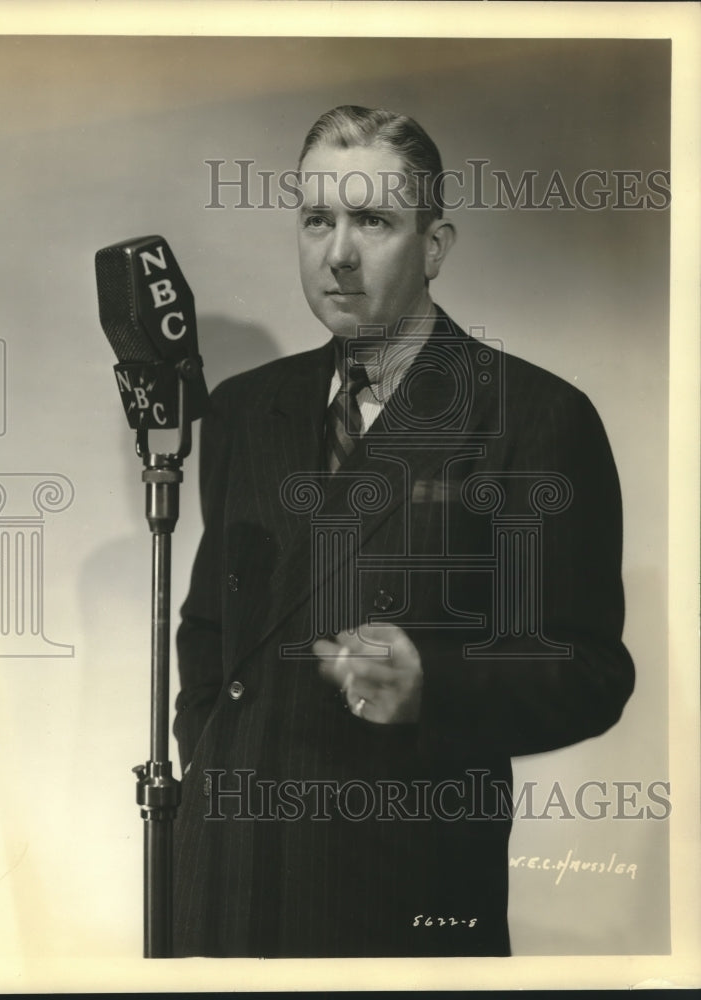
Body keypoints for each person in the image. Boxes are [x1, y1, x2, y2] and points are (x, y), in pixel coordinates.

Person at [170, 105, 634, 957]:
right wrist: (210, 761)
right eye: (318, 220)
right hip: (224, 884)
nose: (338, 254)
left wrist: (433, 687)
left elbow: (590, 672)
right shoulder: (243, 410)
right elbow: (208, 631)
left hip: (392, 895)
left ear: (433, 245)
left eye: (374, 222)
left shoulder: (532, 418)